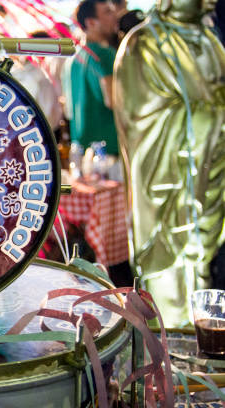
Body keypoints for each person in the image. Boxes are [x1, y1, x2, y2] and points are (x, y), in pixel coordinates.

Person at [113, 0, 224, 326]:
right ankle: (167, 344)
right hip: (166, 182)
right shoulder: (144, 43)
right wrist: (212, 112)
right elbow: (143, 119)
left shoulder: (210, 41)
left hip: (207, 169)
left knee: (202, 263)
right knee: (169, 272)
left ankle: (196, 335)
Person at [62, 0, 120, 168]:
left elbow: (68, 109)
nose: (115, 16)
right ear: (91, 22)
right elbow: (113, 100)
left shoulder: (72, 59)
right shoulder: (104, 54)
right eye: (108, 12)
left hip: (80, 152)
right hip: (108, 153)